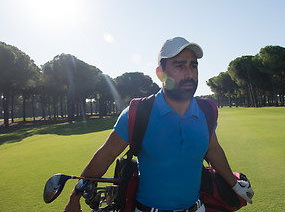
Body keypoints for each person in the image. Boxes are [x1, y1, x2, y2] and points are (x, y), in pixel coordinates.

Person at [64, 37, 254, 212]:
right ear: (160, 74)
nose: (189, 73)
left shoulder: (207, 111)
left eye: (193, 65)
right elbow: (105, 156)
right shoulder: (138, 112)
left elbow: (213, 150)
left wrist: (235, 185)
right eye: (180, 65)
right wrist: (74, 197)